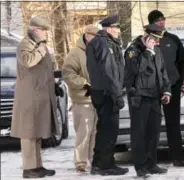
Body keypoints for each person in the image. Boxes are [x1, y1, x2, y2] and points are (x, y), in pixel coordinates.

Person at [11, 16, 63, 178]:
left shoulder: (39, 45)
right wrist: (41, 50)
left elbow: (42, 70)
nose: (47, 33)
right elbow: (28, 61)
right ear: (35, 30)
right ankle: (29, 169)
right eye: (44, 30)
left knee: (37, 132)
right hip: (29, 97)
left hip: (40, 95)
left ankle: (37, 166)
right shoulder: (26, 44)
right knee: (28, 134)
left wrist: (55, 81)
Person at [124, 24, 171, 177]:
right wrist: (147, 53)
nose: (157, 43)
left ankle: (152, 163)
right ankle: (141, 167)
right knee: (139, 134)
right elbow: (136, 71)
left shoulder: (156, 50)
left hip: (155, 97)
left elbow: (162, 71)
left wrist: (166, 90)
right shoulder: (133, 50)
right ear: (147, 37)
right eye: (155, 40)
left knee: (153, 133)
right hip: (140, 97)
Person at [86, 15, 128, 176]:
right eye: (117, 28)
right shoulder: (104, 43)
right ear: (109, 28)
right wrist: (116, 94)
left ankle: (102, 163)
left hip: (103, 91)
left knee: (104, 129)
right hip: (107, 92)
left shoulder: (101, 41)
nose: (118, 31)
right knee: (109, 130)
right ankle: (104, 165)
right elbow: (108, 70)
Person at [147, 10, 184, 167]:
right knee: (151, 124)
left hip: (172, 87)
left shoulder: (173, 39)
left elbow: (182, 62)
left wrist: (178, 82)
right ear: (151, 22)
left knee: (173, 123)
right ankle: (150, 159)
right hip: (151, 89)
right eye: (158, 20)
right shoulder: (144, 40)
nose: (162, 22)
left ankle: (178, 157)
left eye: (163, 19)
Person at [62, 24, 99, 172]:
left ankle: (90, 159)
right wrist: (84, 84)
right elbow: (68, 73)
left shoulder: (97, 51)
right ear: (86, 35)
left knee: (94, 132)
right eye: (94, 37)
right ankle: (80, 162)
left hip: (96, 98)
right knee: (83, 132)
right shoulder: (76, 53)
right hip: (82, 98)